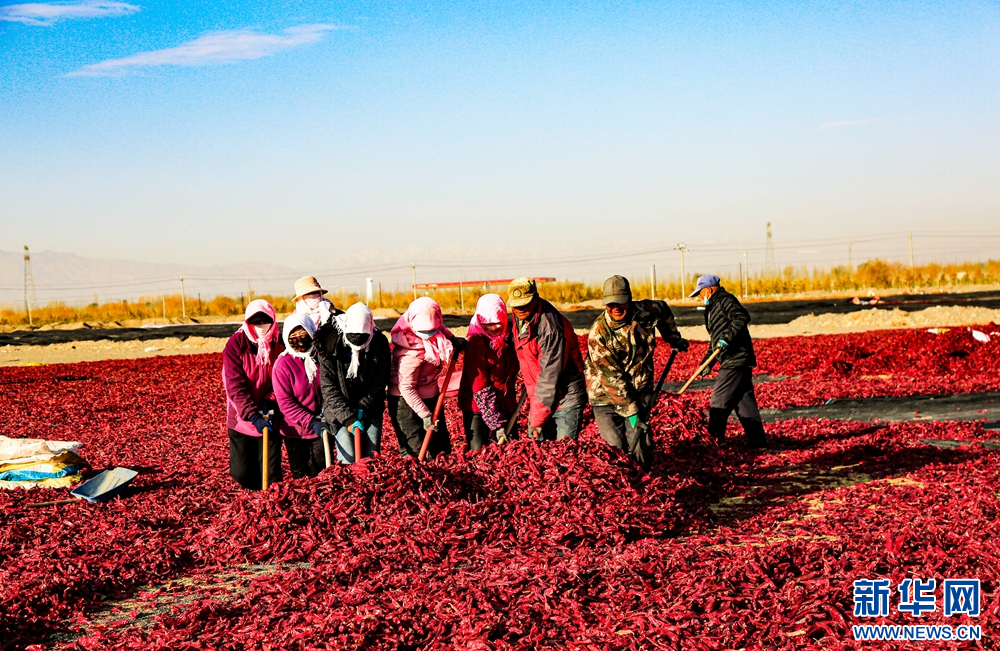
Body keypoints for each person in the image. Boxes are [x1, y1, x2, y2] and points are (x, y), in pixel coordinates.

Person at [585, 275, 689, 469]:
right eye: (611, 304)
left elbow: (664, 310)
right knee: (615, 447)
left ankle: (645, 478)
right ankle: (623, 484)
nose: (616, 308)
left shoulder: (645, 311)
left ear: (630, 299)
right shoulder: (599, 335)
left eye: (621, 302)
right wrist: (633, 414)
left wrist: (673, 337)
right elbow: (612, 380)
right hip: (605, 395)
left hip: (639, 388)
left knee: (641, 443)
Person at [692, 274, 768, 448]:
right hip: (732, 358)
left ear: (709, 289)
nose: (700, 297)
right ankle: (758, 442)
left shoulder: (725, 300)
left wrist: (726, 338)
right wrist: (707, 363)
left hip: (736, 358)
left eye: (701, 293)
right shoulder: (711, 308)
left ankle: (715, 441)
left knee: (719, 401)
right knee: (744, 403)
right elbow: (715, 342)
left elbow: (741, 317)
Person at [222, 299, 290, 489]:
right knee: (242, 473)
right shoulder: (236, 344)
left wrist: (271, 401)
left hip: (270, 412)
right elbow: (235, 385)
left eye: (265, 321)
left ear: (273, 320)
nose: (261, 326)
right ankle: (252, 498)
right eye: (256, 322)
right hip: (242, 415)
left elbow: (282, 377)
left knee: (271, 472)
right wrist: (252, 414)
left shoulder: (280, 342)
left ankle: (270, 507)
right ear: (247, 322)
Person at [508, 277, 587, 441]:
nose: (519, 308)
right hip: (543, 396)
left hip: (565, 397)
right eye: (516, 305)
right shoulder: (520, 319)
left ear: (536, 299)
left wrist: (536, 419)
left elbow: (549, 376)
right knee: (542, 453)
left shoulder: (550, 328)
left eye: (525, 303)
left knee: (563, 453)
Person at [388, 297, 466, 459]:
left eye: (431, 330)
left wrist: (452, 339)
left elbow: (437, 326)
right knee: (415, 453)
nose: (428, 335)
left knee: (441, 450)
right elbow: (406, 387)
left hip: (431, 395)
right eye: (423, 332)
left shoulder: (429, 325)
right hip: (406, 403)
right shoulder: (411, 352)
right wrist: (425, 415)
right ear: (413, 325)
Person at [317, 302, 391, 463]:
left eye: (362, 339)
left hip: (370, 408)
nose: (358, 343)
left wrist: (363, 407)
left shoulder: (379, 343)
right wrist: (348, 418)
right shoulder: (329, 345)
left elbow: (380, 379)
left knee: (371, 460)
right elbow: (329, 388)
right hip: (339, 411)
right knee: (348, 459)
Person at [458, 294, 520, 450]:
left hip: (506, 403)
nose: (493, 328)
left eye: (497, 323)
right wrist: (496, 424)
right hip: (478, 408)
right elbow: (480, 387)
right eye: (487, 325)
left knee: (512, 451)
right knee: (479, 453)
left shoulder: (512, 337)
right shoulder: (477, 344)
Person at [273, 313, 327, 478]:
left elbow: (331, 388)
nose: (299, 339)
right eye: (293, 335)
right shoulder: (282, 365)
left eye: (303, 333)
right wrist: (310, 421)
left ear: (311, 332)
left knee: (320, 472)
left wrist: (325, 415)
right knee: (300, 475)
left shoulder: (322, 357)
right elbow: (285, 402)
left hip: (322, 424)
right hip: (295, 429)